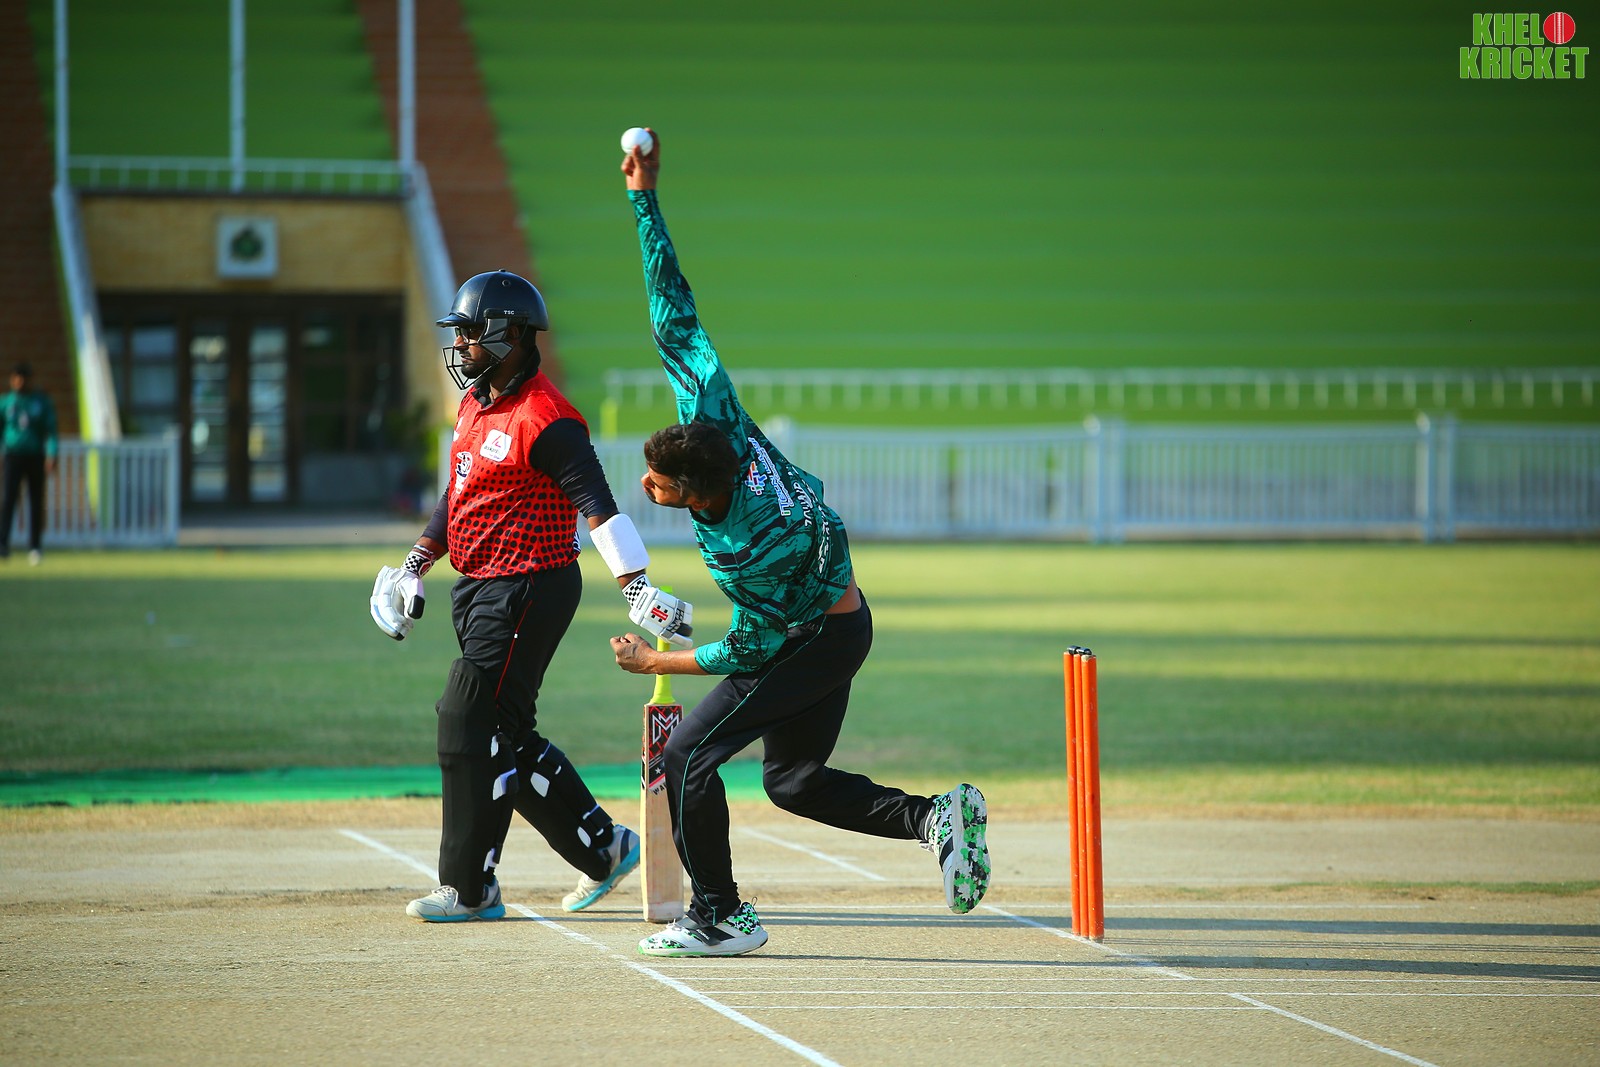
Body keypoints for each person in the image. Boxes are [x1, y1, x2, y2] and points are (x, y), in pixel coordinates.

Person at [608, 132, 991, 958]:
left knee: (688, 754)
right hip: (834, 617)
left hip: (813, 635)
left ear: (699, 493)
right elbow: (673, 310)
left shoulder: (747, 546)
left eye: (660, 486)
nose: (648, 486)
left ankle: (720, 915)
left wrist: (654, 661)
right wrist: (645, 197)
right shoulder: (715, 414)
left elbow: (748, 648)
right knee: (791, 780)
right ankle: (935, 818)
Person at [370, 269, 694, 922]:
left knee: (466, 714)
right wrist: (415, 563)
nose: (460, 344)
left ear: (510, 334)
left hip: (530, 586)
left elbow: (598, 506)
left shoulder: (548, 419)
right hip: (478, 586)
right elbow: (459, 494)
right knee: (507, 734)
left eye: (470, 332)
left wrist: (636, 586)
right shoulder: (474, 403)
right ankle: (604, 848)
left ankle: (469, 887)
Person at [1, 363, 59, 566]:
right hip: (12, 456)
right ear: (12, 380)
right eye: (16, 378)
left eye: (23, 378)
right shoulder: (6, 403)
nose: (20, 382)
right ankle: (3, 544)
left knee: (36, 501)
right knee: (8, 500)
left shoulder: (40, 402)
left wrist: (52, 453)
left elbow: (51, 430)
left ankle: (35, 546)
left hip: (35, 456)